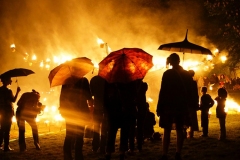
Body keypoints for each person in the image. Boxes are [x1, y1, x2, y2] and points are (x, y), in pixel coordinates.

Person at [156, 53, 192, 160]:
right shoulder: (186, 74)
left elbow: (163, 91)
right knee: (180, 129)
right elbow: (189, 91)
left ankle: (164, 153)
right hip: (181, 105)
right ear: (179, 61)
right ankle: (178, 153)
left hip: (168, 105)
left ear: (170, 62)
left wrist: (159, 106)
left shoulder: (167, 74)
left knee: (167, 129)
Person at [59, 77, 93, 160]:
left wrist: (63, 109)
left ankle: (67, 156)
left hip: (69, 112)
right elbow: (88, 96)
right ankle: (78, 155)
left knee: (69, 135)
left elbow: (62, 96)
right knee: (80, 135)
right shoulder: (84, 80)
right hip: (81, 110)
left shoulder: (66, 81)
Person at [104, 81, 137, 160]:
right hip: (125, 110)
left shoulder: (109, 81)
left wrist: (107, 110)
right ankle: (122, 152)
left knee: (111, 133)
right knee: (124, 133)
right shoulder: (129, 81)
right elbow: (133, 95)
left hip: (113, 111)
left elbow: (105, 97)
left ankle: (108, 153)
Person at [0, 76, 21, 151]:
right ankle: (6, 146)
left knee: (2, 128)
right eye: (10, 80)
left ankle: (0, 144)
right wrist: (18, 92)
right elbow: (14, 100)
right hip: (8, 112)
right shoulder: (8, 91)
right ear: (6, 80)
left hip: (2, 112)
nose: (11, 81)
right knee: (7, 129)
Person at [90, 75, 108, 154]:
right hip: (106, 107)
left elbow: (91, 94)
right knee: (104, 129)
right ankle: (103, 148)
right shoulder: (108, 80)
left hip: (97, 106)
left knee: (96, 128)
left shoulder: (94, 79)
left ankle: (95, 147)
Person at [186, 70, 199, 138]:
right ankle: (191, 134)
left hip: (187, 103)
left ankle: (185, 133)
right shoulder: (193, 83)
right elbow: (196, 94)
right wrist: (196, 102)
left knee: (185, 118)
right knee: (192, 118)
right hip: (192, 103)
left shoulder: (185, 82)